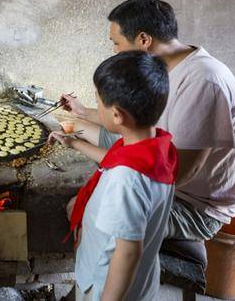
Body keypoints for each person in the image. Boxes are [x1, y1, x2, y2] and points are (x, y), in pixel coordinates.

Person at [58, 0, 235, 242]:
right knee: (76, 128)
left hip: (191, 204)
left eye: (116, 43)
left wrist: (116, 182)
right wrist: (82, 113)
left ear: (144, 39)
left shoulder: (202, 81)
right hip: (157, 161)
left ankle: (97, 279)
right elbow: (128, 121)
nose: (115, 51)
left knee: (81, 208)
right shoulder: (161, 68)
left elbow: (181, 172)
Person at [50, 51, 177, 300]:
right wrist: (74, 144)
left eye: (98, 103)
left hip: (105, 285)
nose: (95, 108)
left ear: (117, 115)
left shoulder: (126, 180)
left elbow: (128, 253)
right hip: (141, 280)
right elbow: (115, 158)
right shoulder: (158, 148)